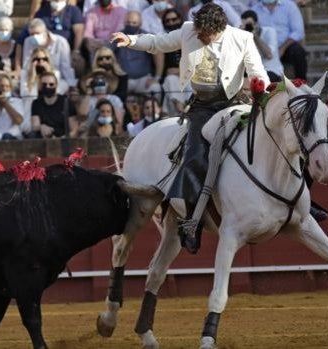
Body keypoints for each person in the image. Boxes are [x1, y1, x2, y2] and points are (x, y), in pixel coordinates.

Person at [111, 3, 269, 250]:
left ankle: (298, 203)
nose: (201, 37)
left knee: (272, 139)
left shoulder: (242, 38)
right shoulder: (188, 30)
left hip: (234, 103)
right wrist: (131, 40)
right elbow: (158, 42)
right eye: (199, 33)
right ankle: (190, 221)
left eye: (206, 35)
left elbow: (258, 73)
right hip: (203, 108)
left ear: (220, 30)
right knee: (194, 155)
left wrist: (263, 93)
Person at [251, 0, 308, 80]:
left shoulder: (290, 6)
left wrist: (282, 48)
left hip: (286, 47)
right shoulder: (254, 10)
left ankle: (301, 85)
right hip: (264, 50)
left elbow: (298, 32)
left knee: (298, 51)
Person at [113, 11, 163, 98]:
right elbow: (108, 53)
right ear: (124, 22)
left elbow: (159, 54)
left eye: (134, 23)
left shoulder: (148, 37)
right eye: (128, 22)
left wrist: (156, 78)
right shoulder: (117, 37)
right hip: (125, 80)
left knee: (155, 88)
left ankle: (156, 112)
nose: (131, 25)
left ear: (140, 24)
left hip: (144, 79)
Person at [21, 18, 77, 87]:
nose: (34, 37)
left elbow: (66, 67)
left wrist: (71, 85)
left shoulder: (61, 42)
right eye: (32, 34)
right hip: (35, 79)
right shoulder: (28, 41)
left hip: (58, 79)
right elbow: (26, 65)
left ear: (46, 31)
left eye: (37, 33)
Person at [76, 68, 125, 137]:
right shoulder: (88, 99)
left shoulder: (115, 99)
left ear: (108, 82)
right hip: (91, 131)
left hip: (112, 131)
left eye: (103, 79)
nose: (100, 81)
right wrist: (88, 91)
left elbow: (119, 121)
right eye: (96, 79)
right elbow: (82, 114)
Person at [0, 73, 29, 141]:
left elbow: (19, 121)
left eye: (7, 86)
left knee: (6, 136)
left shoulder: (17, 101)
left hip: (11, 140)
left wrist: (5, 104)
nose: (4, 89)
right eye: (1, 86)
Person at [240, 10, 283, 82]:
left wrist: (255, 36)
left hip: (271, 70)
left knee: (259, 81)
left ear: (256, 24)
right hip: (252, 72)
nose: (247, 27)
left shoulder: (270, 32)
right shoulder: (242, 35)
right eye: (245, 25)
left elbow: (269, 55)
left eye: (249, 25)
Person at [30, 71, 76, 138]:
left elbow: (74, 129)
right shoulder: (36, 103)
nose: (48, 87)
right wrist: (42, 126)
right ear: (40, 85)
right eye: (44, 84)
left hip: (64, 139)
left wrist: (62, 139)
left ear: (56, 85)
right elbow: (35, 125)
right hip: (44, 140)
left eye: (51, 84)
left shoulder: (66, 102)